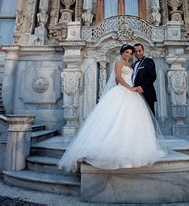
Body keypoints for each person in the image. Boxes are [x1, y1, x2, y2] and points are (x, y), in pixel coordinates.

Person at [58, 44, 167, 173]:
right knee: (117, 119)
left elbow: (148, 77)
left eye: (132, 53)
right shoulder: (120, 62)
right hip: (125, 91)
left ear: (141, 52)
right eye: (127, 52)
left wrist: (136, 88)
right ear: (122, 52)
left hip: (137, 93)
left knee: (134, 121)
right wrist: (129, 88)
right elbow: (118, 78)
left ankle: (134, 147)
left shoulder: (137, 63)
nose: (130, 54)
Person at [132, 43, 157, 115]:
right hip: (136, 94)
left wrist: (142, 87)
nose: (138, 53)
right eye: (135, 52)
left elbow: (152, 77)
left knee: (149, 115)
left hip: (147, 93)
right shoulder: (134, 64)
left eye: (139, 51)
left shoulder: (148, 61)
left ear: (143, 51)